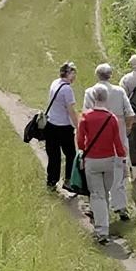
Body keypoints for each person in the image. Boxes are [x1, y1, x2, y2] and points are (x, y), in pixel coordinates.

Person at [83, 63, 135, 221]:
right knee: (118, 175)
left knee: (96, 177)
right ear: (110, 75)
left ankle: (96, 208)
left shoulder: (90, 92)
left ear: (97, 75)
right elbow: (130, 114)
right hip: (118, 138)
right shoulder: (119, 91)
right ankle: (120, 207)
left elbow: (85, 115)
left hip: (97, 140)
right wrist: (126, 129)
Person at [77, 84, 126, 245]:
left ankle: (102, 230)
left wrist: (83, 150)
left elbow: (80, 139)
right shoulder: (112, 118)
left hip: (92, 160)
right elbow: (117, 142)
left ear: (93, 98)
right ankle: (104, 222)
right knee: (104, 193)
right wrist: (122, 159)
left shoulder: (86, 117)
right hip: (109, 160)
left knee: (97, 194)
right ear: (106, 98)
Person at [45, 61, 79, 192]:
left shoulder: (55, 83)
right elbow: (71, 110)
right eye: (73, 73)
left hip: (51, 124)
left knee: (53, 155)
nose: (74, 77)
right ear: (68, 74)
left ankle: (51, 181)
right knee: (71, 154)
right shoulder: (67, 89)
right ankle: (68, 180)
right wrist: (77, 126)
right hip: (64, 127)